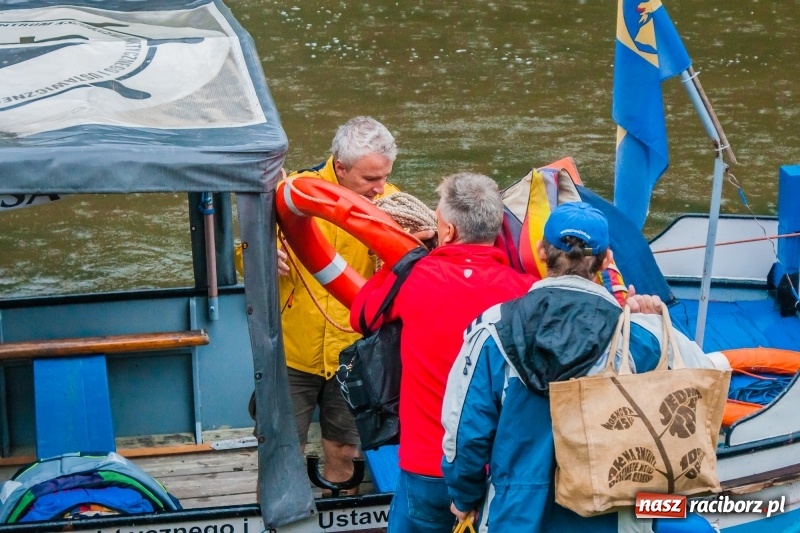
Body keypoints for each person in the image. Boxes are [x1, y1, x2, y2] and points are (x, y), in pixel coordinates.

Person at [441, 202, 727, 532]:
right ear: (606, 261)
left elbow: (465, 433)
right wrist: (655, 322)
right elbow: (703, 385)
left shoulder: (492, 329)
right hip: (612, 517)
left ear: (541, 251)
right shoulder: (638, 335)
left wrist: (464, 497)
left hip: (516, 516)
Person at [350, 172, 537, 532]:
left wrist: (400, 260)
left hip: (427, 464)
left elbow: (361, 316)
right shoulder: (525, 291)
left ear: (448, 231)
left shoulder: (415, 277)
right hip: (499, 470)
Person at [277, 116, 406, 490]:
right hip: (292, 351)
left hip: (351, 351)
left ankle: (341, 512)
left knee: (345, 448)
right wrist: (262, 255)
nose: (380, 187)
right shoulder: (293, 192)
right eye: (371, 179)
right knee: (282, 450)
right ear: (341, 166)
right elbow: (244, 253)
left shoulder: (392, 206)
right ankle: (278, 515)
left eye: (385, 176)